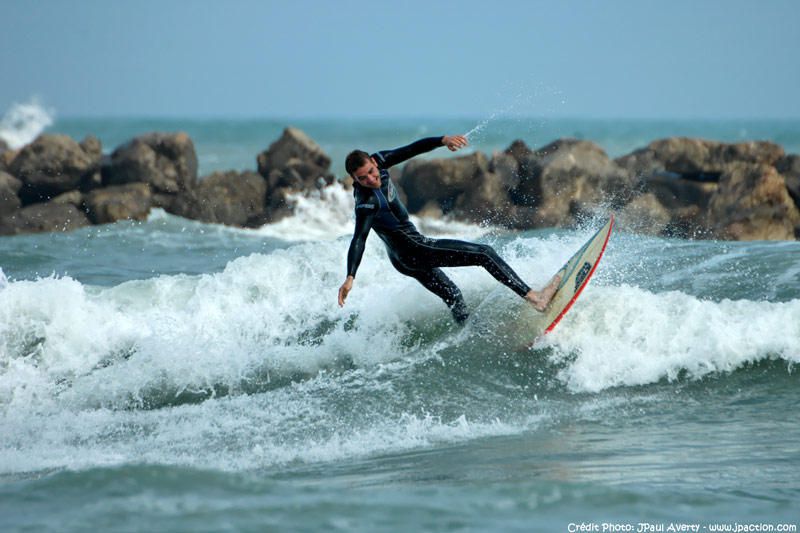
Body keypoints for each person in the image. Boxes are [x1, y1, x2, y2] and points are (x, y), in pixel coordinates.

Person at [337, 134, 561, 323]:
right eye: (362, 178)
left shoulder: (381, 160)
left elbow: (412, 149)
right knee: (485, 254)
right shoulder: (366, 203)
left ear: (374, 163)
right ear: (353, 178)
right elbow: (359, 239)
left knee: (453, 294)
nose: (370, 179)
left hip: (402, 259)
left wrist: (443, 140)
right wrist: (350, 276)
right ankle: (535, 298)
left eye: (370, 172)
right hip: (415, 250)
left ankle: (468, 333)